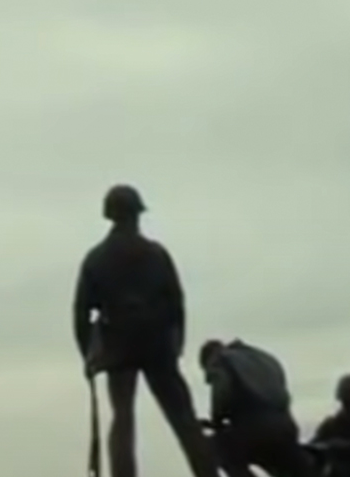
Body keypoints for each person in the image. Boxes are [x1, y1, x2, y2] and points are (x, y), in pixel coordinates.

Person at [72, 184, 217, 477]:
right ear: (137, 214)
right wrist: (176, 345)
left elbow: (80, 311)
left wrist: (88, 354)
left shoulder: (96, 258)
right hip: (157, 344)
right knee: (184, 420)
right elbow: (177, 303)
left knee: (122, 419)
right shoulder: (155, 254)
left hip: (118, 346)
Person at [199, 338, 309, 477]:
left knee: (215, 448)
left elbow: (222, 391)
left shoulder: (222, 359)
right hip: (285, 426)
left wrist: (216, 419)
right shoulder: (261, 357)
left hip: (254, 429)